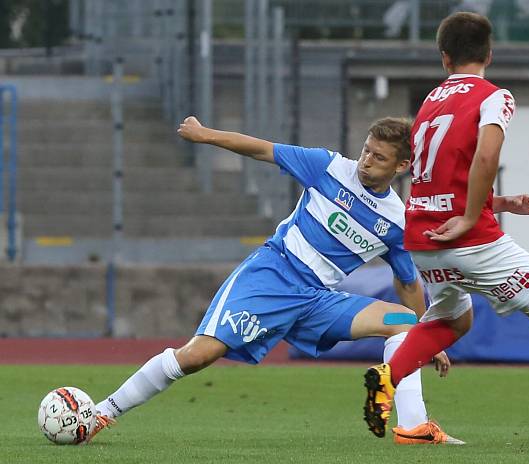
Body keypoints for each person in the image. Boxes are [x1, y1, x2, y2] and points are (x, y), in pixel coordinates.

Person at [88, 116, 470, 445]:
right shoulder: (328, 167)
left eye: (379, 157)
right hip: (272, 276)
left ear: (402, 166)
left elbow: (407, 283)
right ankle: (103, 412)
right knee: (197, 356)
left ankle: (413, 427)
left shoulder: (396, 222)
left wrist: (426, 335)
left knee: (402, 323)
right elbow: (261, 149)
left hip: (319, 300)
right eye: (366, 150)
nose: (366, 161)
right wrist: (205, 135)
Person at [361, 12, 529, 451]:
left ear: (444, 57)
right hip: (467, 237)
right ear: (489, 53)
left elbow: (439, 174)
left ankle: (389, 378)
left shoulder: (430, 100)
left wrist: (499, 203)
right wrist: (472, 217)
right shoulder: (494, 97)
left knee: (453, 318)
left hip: (423, 237)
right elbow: (486, 158)